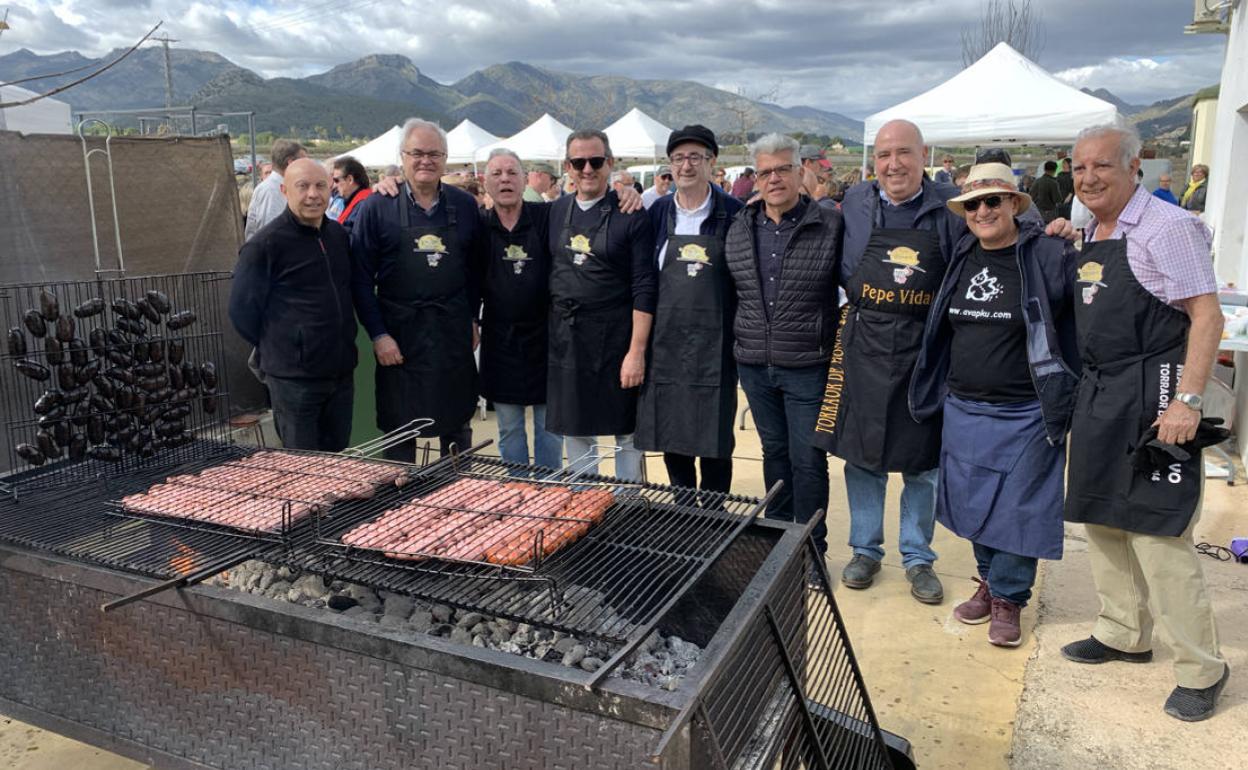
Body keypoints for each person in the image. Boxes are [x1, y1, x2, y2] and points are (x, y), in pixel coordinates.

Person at [1060, 124, 1229, 722]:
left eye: (1101, 166)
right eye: (1080, 168)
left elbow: (1207, 319)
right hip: (1101, 390)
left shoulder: (1167, 227)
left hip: (1156, 391)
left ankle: (1201, 668)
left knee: (1159, 534)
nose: (1088, 178)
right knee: (1103, 520)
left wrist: (1187, 400)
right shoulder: (1092, 229)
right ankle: (1123, 633)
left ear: (1136, 168)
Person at [911, 163, 1079, 647]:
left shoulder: (1048, 254)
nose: (982, 210)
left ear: (1014, 205)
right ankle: (989, 580)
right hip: (964, 405)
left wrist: (1070, 236)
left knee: (1019, 508)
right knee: (972, 503)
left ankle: (1009, 597)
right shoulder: (963, 253)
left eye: (993, 201)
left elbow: (1081, 313)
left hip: (1026, 410)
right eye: (973, 204)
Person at [813, 119, 955, 603]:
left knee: (922, 463)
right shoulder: (855, 201)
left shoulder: (950, 208)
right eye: (883, 155)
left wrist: (1051, 225)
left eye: (904, 153)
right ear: (873, 162)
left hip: (924, 348)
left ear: (924, 156)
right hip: (865, 342)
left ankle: (917, 557)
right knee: (863, 457)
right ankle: (865, 550)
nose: (893, 164)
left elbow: (1010, 226)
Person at [726, 133, 842, 553]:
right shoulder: (740, 225)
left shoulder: (830, 224)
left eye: (782, 169)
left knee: (808, 459)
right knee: (774, 453)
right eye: (765, 171)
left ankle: (813, 549)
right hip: (755, 364)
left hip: (808, 363)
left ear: (800, 172)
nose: (773, 178)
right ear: (756, 178)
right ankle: (777, 540)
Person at [350, 118, 484, 460]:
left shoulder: (465, 206)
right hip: (400, 335)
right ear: (403, 156)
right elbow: (361, 279)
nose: (426, 161)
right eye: (417, 153)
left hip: (452, 331)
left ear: (445, 158)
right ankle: (400, 505)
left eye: (434, 154)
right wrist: (379, 335)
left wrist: (472, 318)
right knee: (400, 430)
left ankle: (458, 496)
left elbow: (476, 271)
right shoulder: (376, 207)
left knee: (456, 426)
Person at [636, 125, 744, 495]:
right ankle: (683, 509)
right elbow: (644, 279)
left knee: (715, 435)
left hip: (716, 343)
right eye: (679, 158)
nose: (686, 165)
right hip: (666, 342)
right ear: (670, 164)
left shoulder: (734, 213)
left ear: (712, 163)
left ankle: (716, 516)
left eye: (695, 157)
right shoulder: (656, 213)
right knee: (672, 430)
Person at [547, 130, 656, 480]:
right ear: (568, 167)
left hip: (617, 337)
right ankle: (584, 507)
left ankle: (628, 509)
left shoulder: (631, 214)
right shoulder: (555, 210)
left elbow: (644, 287)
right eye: (579, 162)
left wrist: (636, 352)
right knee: (577, 429)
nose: (587, 169)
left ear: (610, 163)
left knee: (626, 430)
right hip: (569, 338)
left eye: (596, 161)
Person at [228, 158, 357, 451]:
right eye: (303, 186)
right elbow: (241, 310)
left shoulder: (338, 236)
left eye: (320, 185)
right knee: (303, 465)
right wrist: (285, 343)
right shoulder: (265, 245)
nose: (313, 194)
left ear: (330, 189)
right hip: (294, 379)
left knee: (337, 457)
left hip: (339, 371)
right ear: (285, 191)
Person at [478, 149, 564, 469]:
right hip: (501, 340)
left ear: (525, 180)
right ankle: (517, 491)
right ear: (485, 182)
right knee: (510, 428)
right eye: (497, 174)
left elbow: (588, 205)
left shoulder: (546, 216)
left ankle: (549, 495)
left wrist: (624, 192)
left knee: (549, 429)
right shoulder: (479, 226)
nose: (505, 179)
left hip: (546, 337)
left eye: (512, 172)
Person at [244, 139, 307, 241]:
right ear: (291, 163)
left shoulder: (280, 187)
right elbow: (271, 233)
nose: (307, 167)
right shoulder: (271, 191)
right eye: (304, 162)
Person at [331, 155, 373, 235]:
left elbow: (355, 238)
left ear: (350, 180)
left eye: (336, 180)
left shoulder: (363, 204)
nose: (334, 185)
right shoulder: (360, 200)